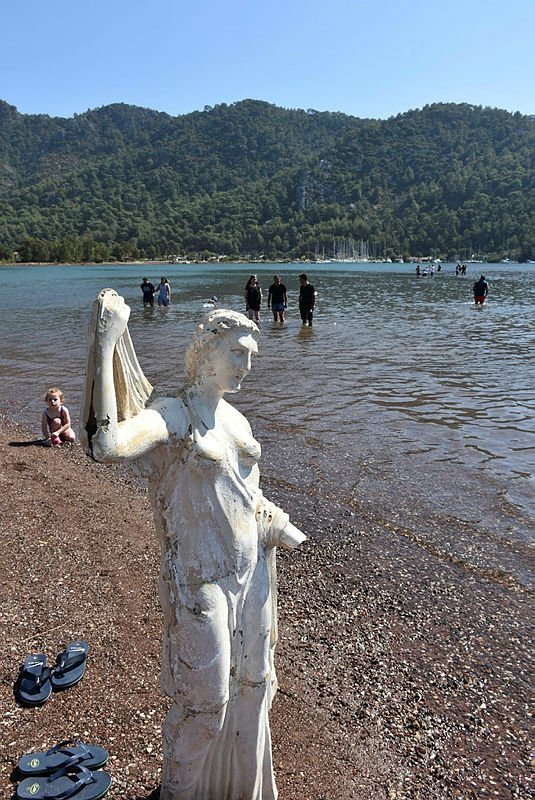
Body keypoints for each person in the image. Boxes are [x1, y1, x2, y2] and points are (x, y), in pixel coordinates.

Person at [81, 290, 306, 800]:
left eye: (251, 355)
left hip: (253, 578)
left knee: (254, 690)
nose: (246, 365)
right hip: (202, 579)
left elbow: (250, 497)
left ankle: (234, 790)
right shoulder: (175, 414)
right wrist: (107, 339)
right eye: (236, 353)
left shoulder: (237, 421)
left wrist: (275, 521)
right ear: (205, 351)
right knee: (206, 706)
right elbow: (107, 445)